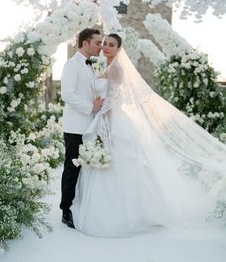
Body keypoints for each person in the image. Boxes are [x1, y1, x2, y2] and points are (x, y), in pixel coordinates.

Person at [71, 33, 226, 237]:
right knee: (107, 164)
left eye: (111, 45)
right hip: (102, 117)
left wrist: (104, 124)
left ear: (118, 49)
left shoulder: (116, 69)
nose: (106, 47)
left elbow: (113, 99)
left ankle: (128, 215)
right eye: (104, 44)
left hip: (112, 120)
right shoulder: (103, 65)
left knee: (118, 162)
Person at [60, 28, 104, 228]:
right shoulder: (72, 64)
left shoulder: (90, 66)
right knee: (72, 168)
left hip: (89, 126)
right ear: (85, 43)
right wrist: (90, 106)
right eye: (97, 42)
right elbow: (67, 94)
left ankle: (81, 204)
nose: (100, 46)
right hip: (75, 126)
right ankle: (65, 209)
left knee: (86, 168)